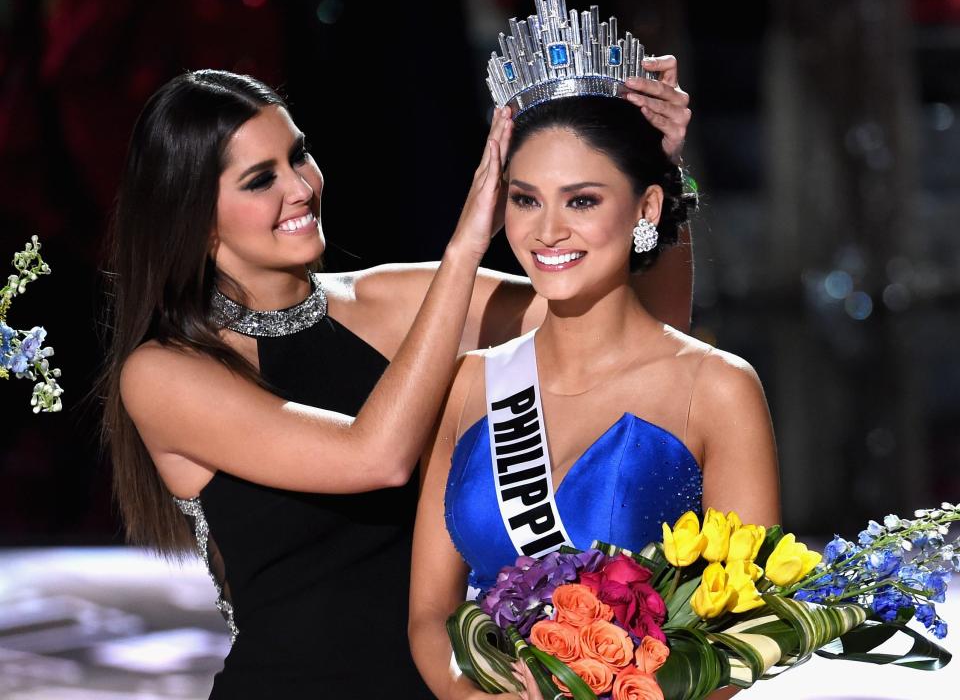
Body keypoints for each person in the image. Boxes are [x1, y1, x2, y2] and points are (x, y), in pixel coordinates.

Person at [100, 64, 693, 697]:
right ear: (197, 215)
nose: (300, 188)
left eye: (298, 155)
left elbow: (641, 330)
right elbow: (375, 456)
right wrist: (466, 245)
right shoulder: (163, 372)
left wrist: (658, 176)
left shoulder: (392, 301)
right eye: (260, 179)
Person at [408, 94, 779, 700]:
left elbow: (748, 631)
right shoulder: (471, 383)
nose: (548, 230)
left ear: (647, 208)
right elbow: (429, 613)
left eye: (582, 200)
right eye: (526, 199)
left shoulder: (715, 388)